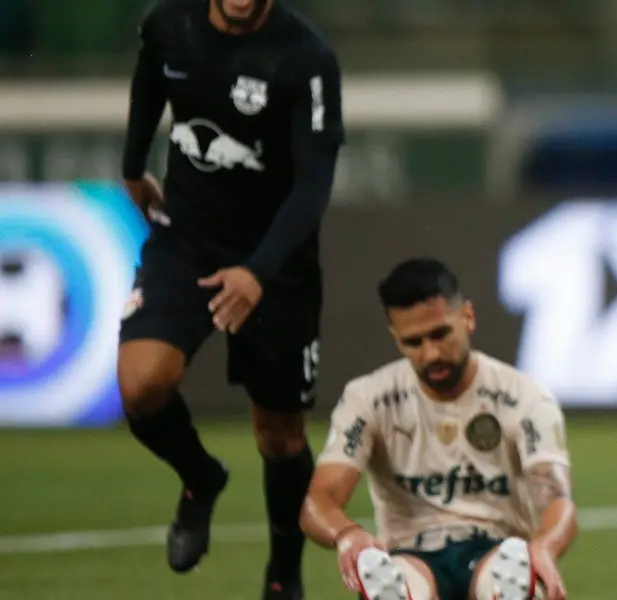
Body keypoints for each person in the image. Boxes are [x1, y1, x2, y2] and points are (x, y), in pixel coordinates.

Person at [117, 0, 344, 598]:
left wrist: (258, 271)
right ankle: (200, 477)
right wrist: (133, 163)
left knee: (279, 437)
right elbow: (149, 76)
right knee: (142, 386)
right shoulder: (170, 24)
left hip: (277, 260)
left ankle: (282, 576)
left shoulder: (307, 59)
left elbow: (313, 185)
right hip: (187, 241)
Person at [300, 258, 576, 600]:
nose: (430, 354)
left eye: (440, 334)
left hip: (495, 549)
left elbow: (557, 500)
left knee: (516, 578)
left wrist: (544, 548)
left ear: (468, 317)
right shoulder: (368, 398)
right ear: (395, 338)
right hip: (411, 553)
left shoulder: (524, 396)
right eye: (412, 342)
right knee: (394, 588)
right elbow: (319, 500)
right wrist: (346, 534)